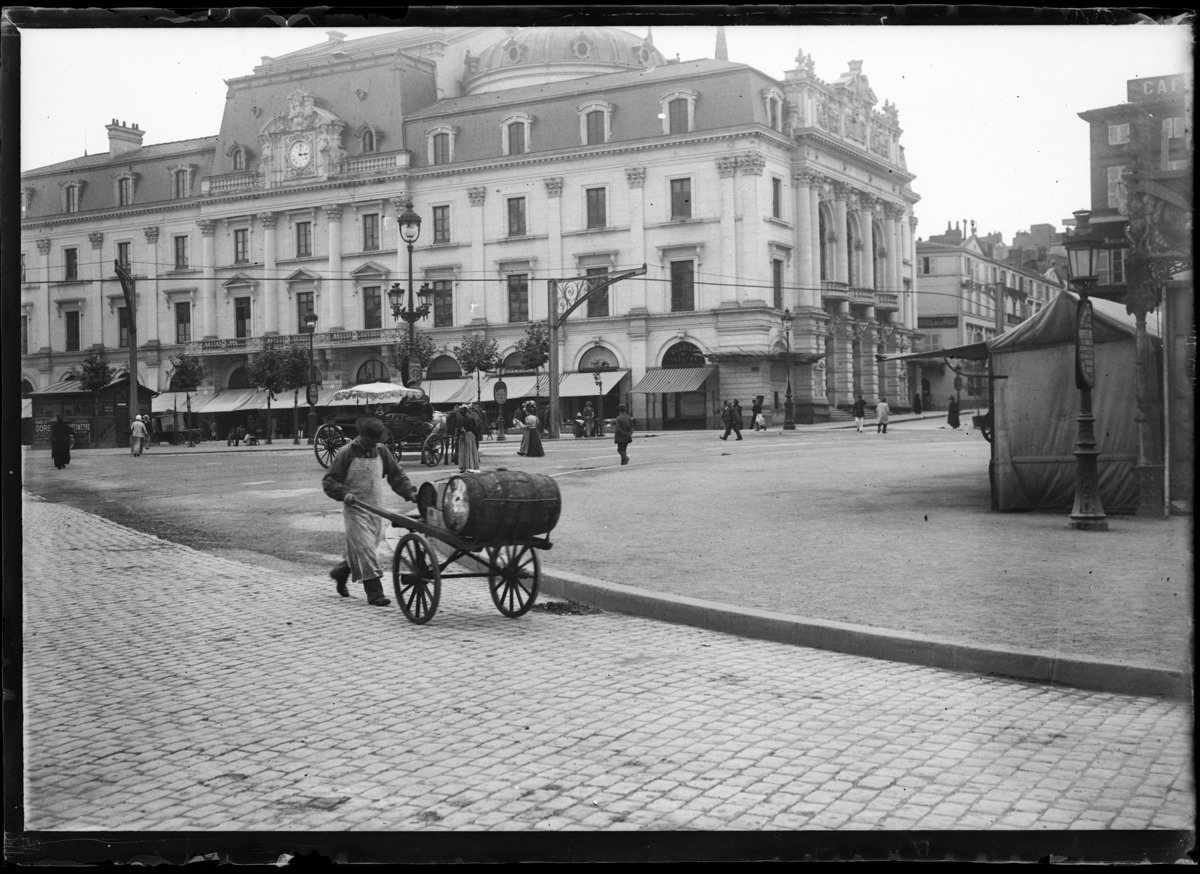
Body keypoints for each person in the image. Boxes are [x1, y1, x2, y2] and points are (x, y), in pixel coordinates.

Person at [322, 417, 417, 606]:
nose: (374, 444)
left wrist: (410, 492)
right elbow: (329, 480)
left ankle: (341, 572)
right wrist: (344, 493)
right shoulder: (346, 453)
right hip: (355, 509)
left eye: (377, 440)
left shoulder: (382, 451)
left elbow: (397, 475)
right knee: (366, 549)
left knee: (367, 548)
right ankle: (375, 593)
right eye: (371, 440)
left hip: (376, 508)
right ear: (363, 436)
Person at [455, 404, 481, 472]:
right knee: (471, 451)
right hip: (470, 435)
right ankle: (471, 465)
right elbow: (475, 429)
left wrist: (460, 434)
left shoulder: (460, 420)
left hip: (463, 436)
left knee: (463, 452)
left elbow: (458, 429)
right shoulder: (472, 419)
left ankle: (464, 466)